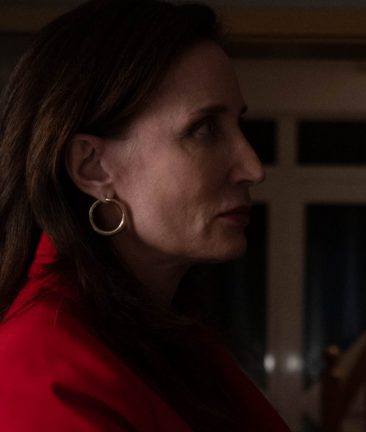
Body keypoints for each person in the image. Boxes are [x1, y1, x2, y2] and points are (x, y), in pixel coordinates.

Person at [0, 0, 290, 430]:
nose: (252, 167)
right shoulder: (45, 370)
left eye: (238, 126)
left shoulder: (166, 336)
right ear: (93, 168)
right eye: (204, 129)